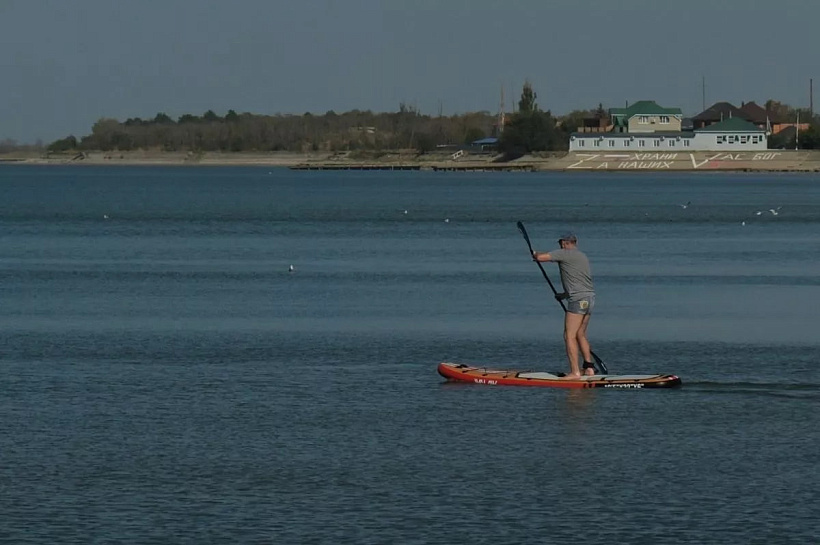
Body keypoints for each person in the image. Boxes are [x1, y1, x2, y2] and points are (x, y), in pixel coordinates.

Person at [532, 232, 596, 379]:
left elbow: (541, 258)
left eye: (561, 243)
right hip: (590, 298)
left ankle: (575, 372)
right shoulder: (582, 256)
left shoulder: (565, 253)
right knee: (580, 334)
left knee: (569, 336)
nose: (560, 246)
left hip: (578, 299)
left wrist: (534, 253)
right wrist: (564, 295)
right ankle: (589, 368)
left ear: (565, 243)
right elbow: (578, 280)